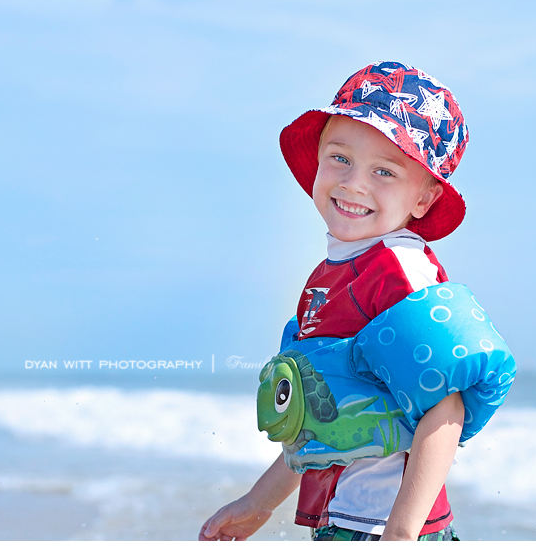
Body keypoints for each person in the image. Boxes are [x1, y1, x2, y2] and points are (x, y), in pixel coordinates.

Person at [200, 62, 508, 541]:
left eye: (384, 170)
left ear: (423, 200)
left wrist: (402, 533)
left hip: (387, 527)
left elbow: (445, 408)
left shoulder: (397, 272)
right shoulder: (327, 278)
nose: (354, 183)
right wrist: (257, 504)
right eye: (340, 157)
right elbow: (325, 422)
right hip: (341, 523)